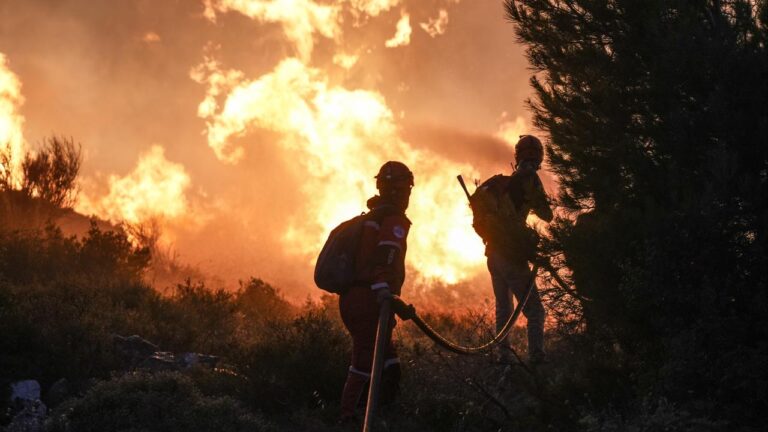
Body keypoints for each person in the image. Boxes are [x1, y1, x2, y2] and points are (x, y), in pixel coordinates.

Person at [338, 161, 414, 422]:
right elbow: (386, 256)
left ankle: (380, 420)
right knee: (364, 364)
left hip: (354, 299)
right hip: (369, 300)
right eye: (406, 190)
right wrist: (386, 294)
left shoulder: (370, 218)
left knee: (390, 367)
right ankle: (349, 420)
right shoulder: (393, 219)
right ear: (402, 190)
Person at [487, 135, 553, 365]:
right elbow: (547, 215)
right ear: (539, 156)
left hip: (493, 254)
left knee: (504, 310)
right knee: (535, 311)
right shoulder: (530, 178)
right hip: (510, 255)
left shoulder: (507, 182)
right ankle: (537, 362)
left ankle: (502, 360)